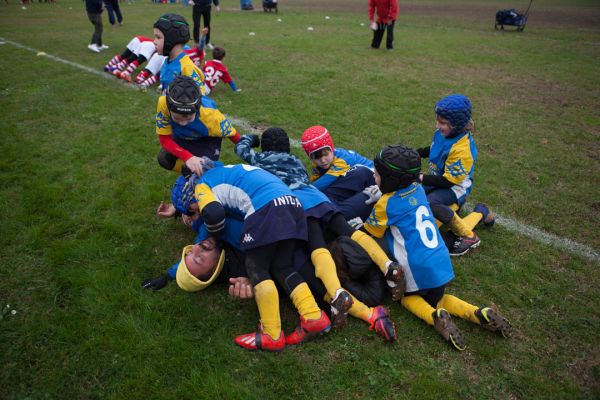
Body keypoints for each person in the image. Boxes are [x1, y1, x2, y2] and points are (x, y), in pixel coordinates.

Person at [145, 173, 398, 343]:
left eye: (193, 250)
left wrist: (179, 214)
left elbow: (205, 212)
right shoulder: (226, 257)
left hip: (293, 219)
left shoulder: (208, 230)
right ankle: (372, 313)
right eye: (199, 258)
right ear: (212, 273)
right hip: (299, 243)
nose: (198, 248)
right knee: (342, 285)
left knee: (337, 229)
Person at [235, 128, 405, 312]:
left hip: (297, 206)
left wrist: (250, 138)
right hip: (319, 199)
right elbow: (308, 181)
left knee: (317, 247)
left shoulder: (259, 161)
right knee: (350, 232)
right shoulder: (297, 162)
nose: (323, 159)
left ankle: (337, 292)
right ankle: (387, 265)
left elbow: (241, 148)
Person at [363, 144, 512, 351]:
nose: (374, 178)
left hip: (418, 266)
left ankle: (433, 317)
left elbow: (372, 231)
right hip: (440, 260)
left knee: (408, 298)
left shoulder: (385, 204)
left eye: (378, 175)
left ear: (390, 180)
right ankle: (477, 312)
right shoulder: (418, 189)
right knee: (439, 297)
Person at [173, 160, 332, 352]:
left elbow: (213, 214)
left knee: (256, 267)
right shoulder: (226, 171)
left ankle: (271, 333)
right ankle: (313, 316)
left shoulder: (202, 185)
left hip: (267, 206)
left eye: (193, 209)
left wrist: (211, 227)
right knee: (282, 267)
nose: (196, 211)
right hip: (292, 203)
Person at [417, 94, 495, 256]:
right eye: (438, 121)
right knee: (414, 194)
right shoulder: (443, 133)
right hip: (440, 179)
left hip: (455, 187)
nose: (437, 126)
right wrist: (415, 154)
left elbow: (447, 181)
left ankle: (477, 219)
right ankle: (452, 209)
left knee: (429, 204)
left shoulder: (462, 150)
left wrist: (420, 177)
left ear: (457, 125)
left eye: (443, 123)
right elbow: (437, 149)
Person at [155, 75, 240, 176]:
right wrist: (188, 157)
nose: (183, 123)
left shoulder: (211, 116)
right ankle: (191, 173)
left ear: (198, 108)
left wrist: (246, 148)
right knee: (164, 158)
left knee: (203, 170)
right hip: (183, 137)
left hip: (206, 140)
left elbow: (232, 134)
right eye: (177, 118)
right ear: (169, 107)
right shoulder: (163, 103)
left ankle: (215, 173)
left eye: (189, 119)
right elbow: (165, 140)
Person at [301, 125, 380, 222]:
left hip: (374, 181)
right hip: (356, 183)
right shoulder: (318, 166)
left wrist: (301, 191)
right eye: (317, 157)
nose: (323, 160)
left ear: (332, 148)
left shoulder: (342, 160)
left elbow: (318, 186)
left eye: (325, 154)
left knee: (325, 195)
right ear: (310, 158)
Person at [153, 13, 206, 94]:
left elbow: (200, 97)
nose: (154, 41)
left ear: (172, 39)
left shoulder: (186, 67)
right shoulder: (167, 61)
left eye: (158, 37)